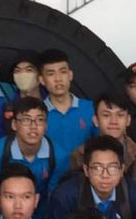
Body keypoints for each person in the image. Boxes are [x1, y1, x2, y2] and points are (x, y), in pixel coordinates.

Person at [0, 97, 57, 214]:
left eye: (40, 120)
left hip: (41, 217)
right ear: (14, 124)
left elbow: (54, 197)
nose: (33, 126)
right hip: (5, 215)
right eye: (26, 120)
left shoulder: (58, 155)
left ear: (46, 125)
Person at [69, 92, 136, 191]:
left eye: (120, 115)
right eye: (106, 115)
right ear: (96, 120)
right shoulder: (80, 154)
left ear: (128, 120)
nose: (114, 121)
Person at [39, 50, 96, 185]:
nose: (58, 79)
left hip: (87, 183)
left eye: (62, 72)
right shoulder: (38, 114)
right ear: (41, 80)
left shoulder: (91, 108)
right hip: (50, 185)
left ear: (70, 75)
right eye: (51, 74)